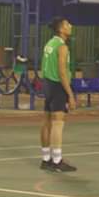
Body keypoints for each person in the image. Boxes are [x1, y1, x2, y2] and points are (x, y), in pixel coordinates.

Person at [39, 17, 78, 172]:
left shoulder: (49, 43)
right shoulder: (62, 47)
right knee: (58, 123)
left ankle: (45, 159)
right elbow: (62, 73)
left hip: (47, 84)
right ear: (61, 29)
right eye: (67, 24)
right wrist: (70, 95)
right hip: (57, 86)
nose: (70, 25)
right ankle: (57, 161)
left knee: (47, 122)